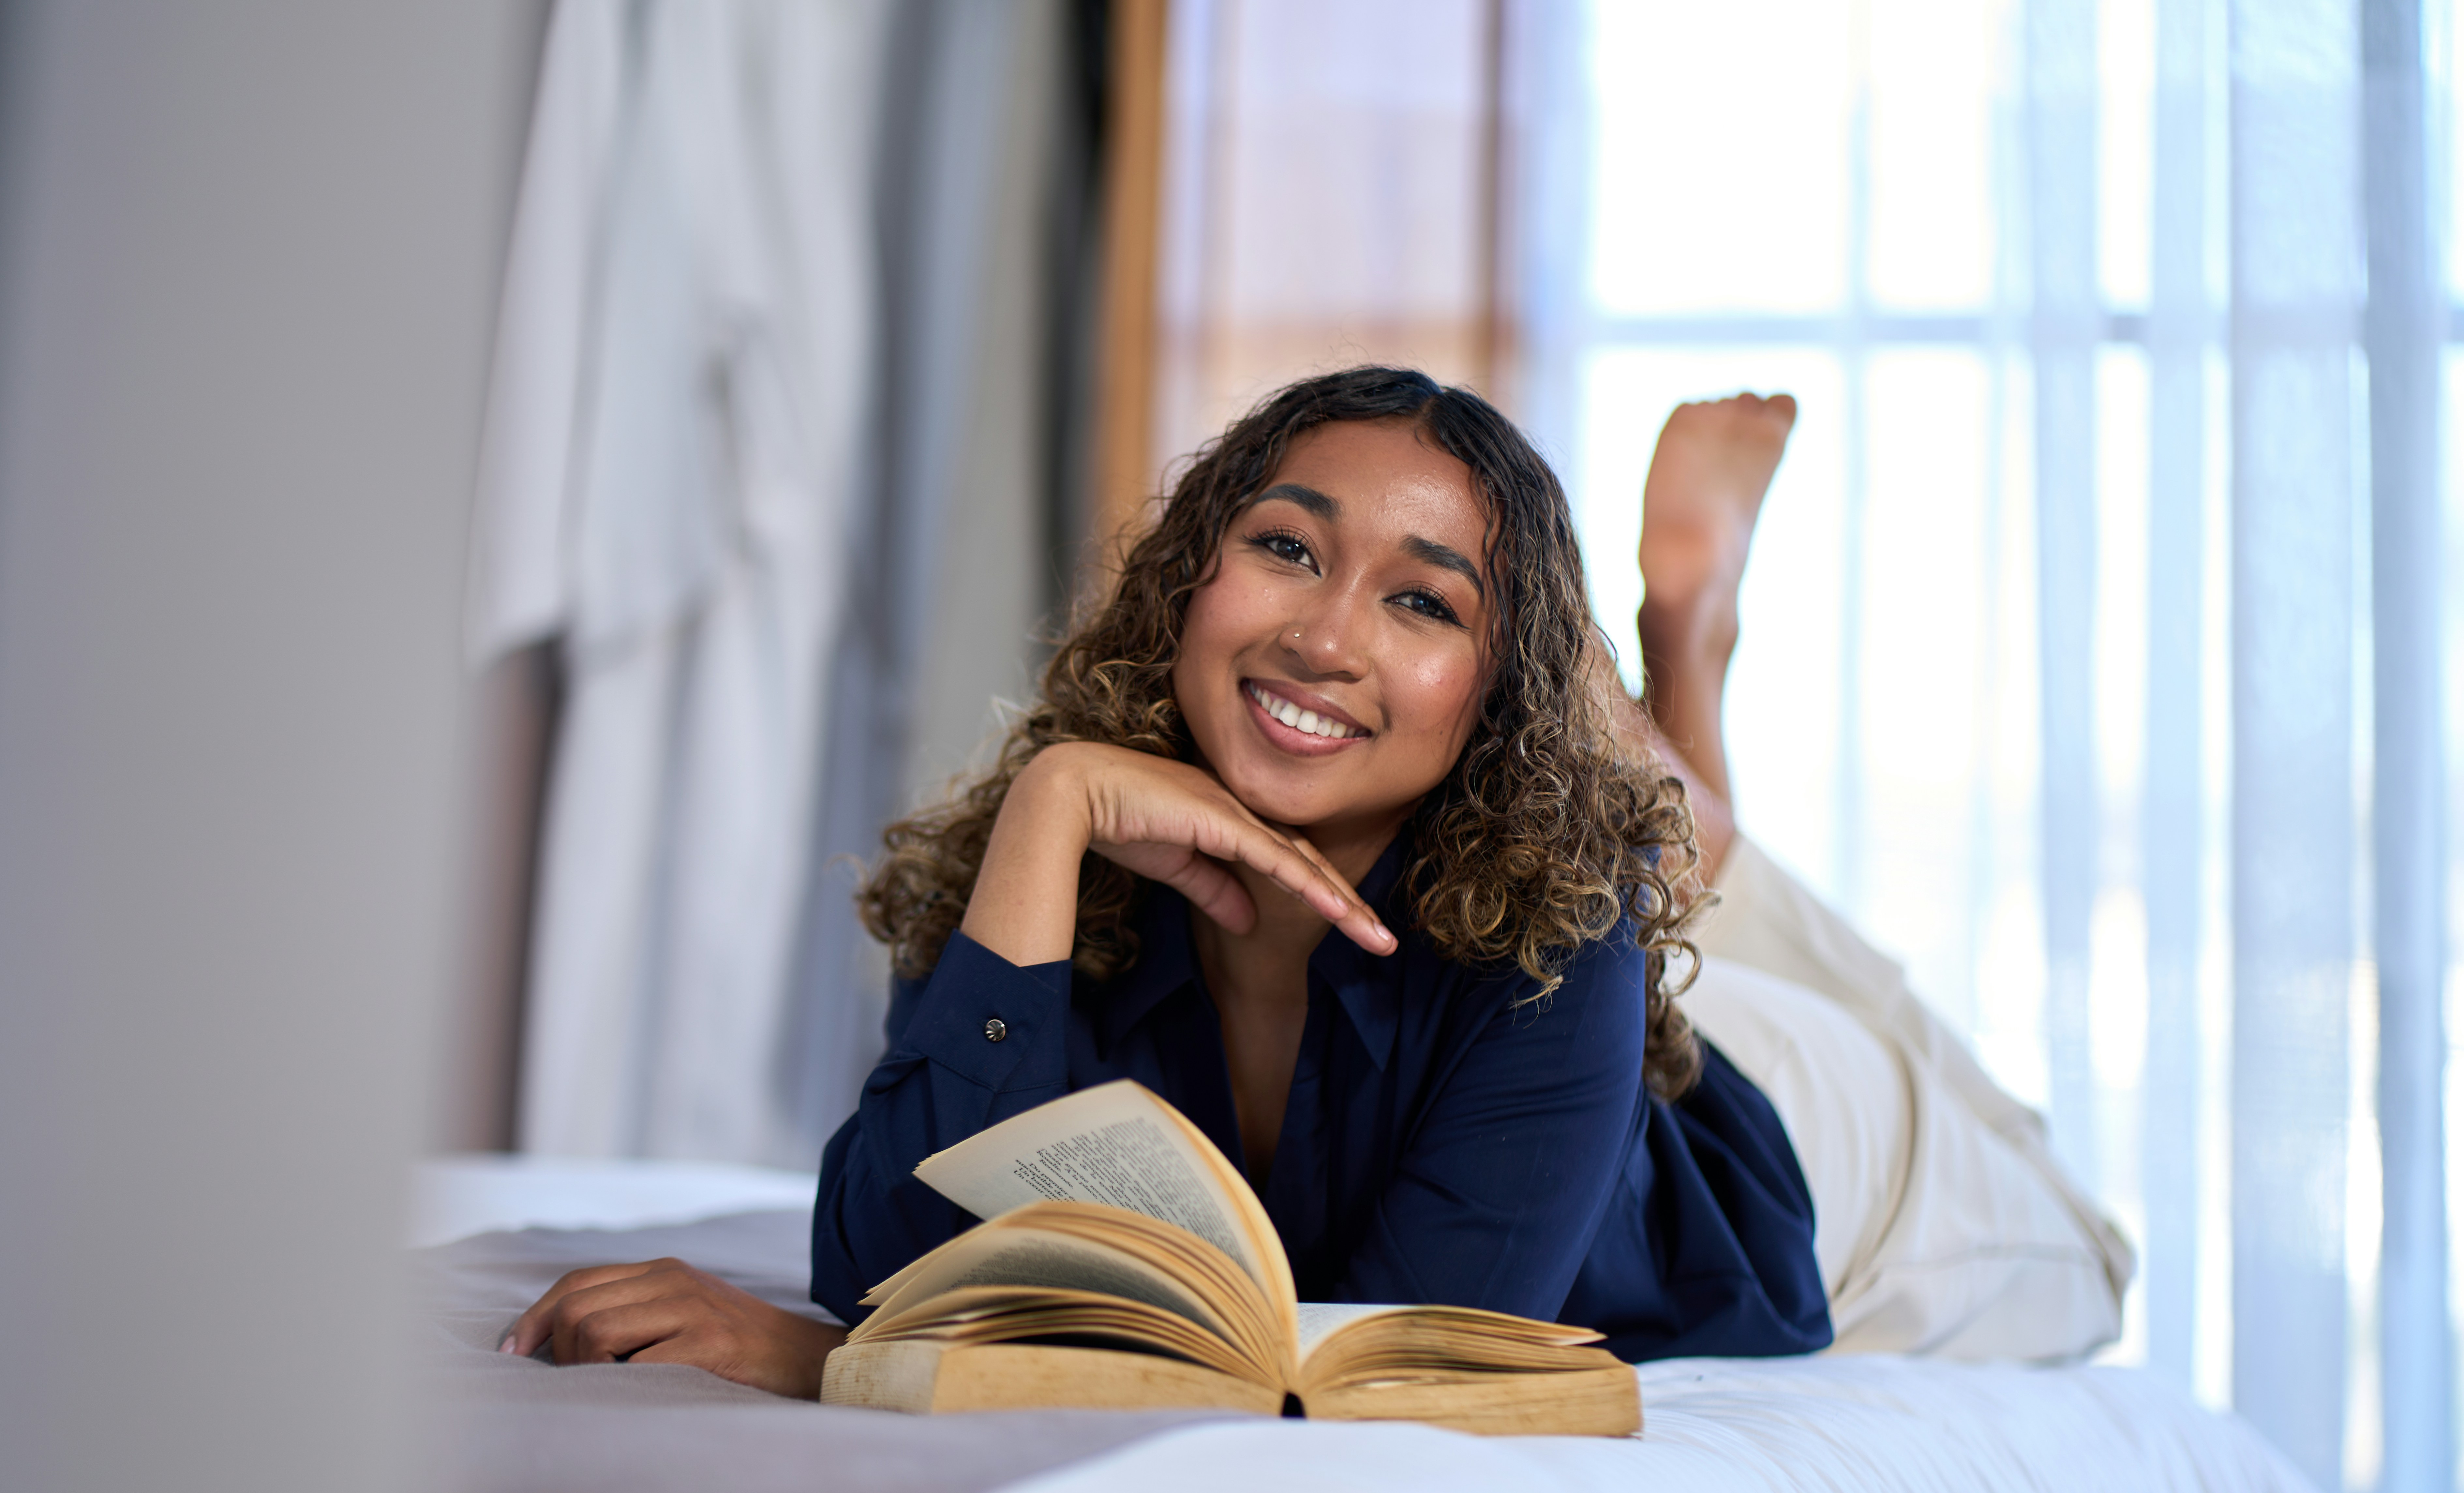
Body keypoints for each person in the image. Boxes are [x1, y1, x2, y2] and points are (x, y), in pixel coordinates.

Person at [503, 368, 2125, 1395]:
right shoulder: (1069, 842)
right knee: (1645, 864)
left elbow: (1401, 1360)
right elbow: (877, 1248)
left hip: (1802, 1147)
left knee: (2087, 1248)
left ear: (1494, 692)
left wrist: (831, 1368)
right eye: (1287, 546)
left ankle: (1676, 689)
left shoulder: (1562, 942)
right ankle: (1669, 736)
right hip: (1599, 951)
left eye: (1421, 603)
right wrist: (1050, 803)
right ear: (1194, 570)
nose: (1323, 633)